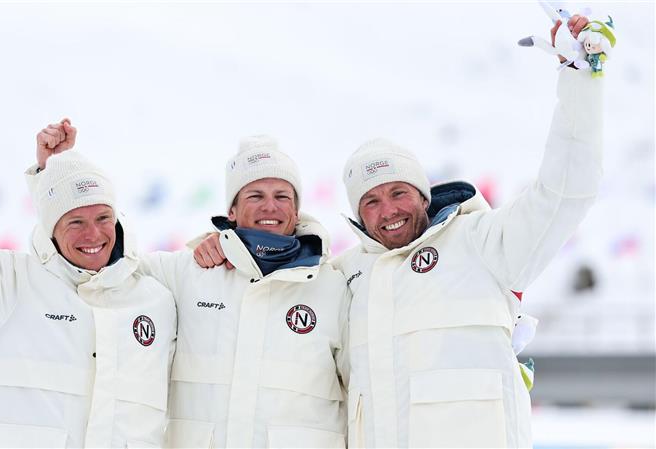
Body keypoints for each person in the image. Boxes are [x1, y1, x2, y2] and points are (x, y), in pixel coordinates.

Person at [195, 14, 603, 448]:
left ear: (424, 196)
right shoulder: (344, 274)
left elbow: (565, 193)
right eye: (371, 201)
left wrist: (579, 79)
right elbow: (279, 305)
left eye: (398, 192)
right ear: (358, 215)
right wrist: (226, 249)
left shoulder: (483, 242)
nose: (388, 210)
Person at [0, 43, 176, 448]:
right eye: (75, 222)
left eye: (102, 219)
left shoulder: (154, 298)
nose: (93, 235)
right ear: (50, 230)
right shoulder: (10, 287)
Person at [31, 134, 351, 448]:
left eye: (282, 196)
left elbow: (360, 392)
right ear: (232, 212)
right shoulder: (187, 273)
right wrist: (55, 178)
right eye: (255, 195)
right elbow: (98, 260)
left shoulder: (333, 286)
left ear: (297, 211)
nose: (270, 206)